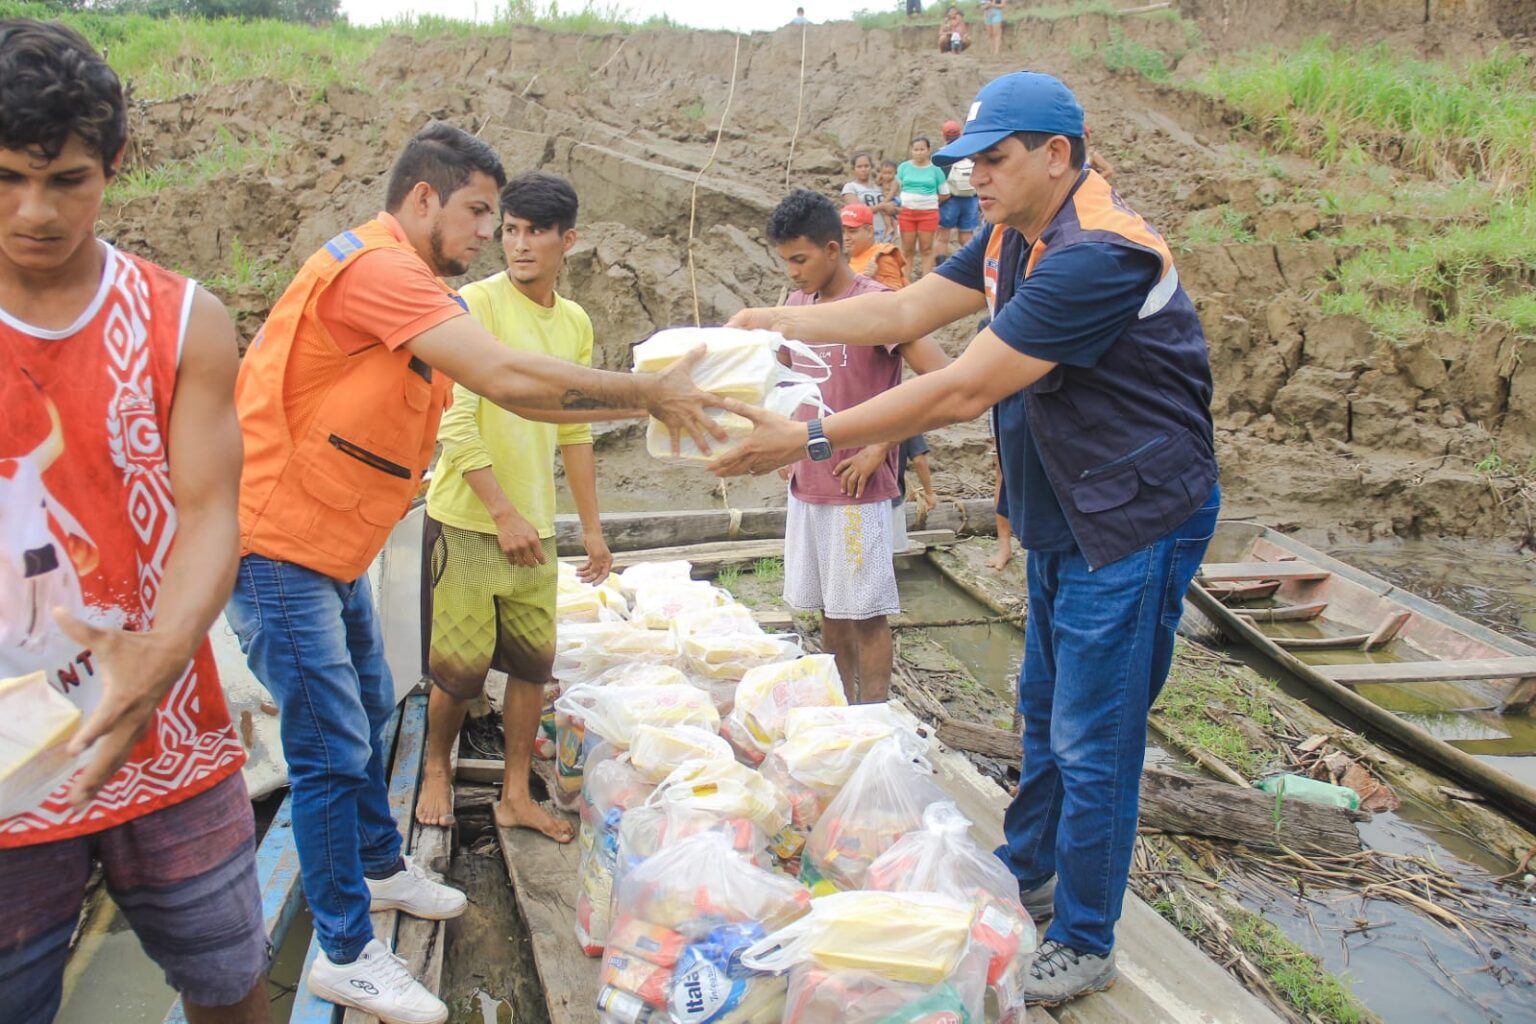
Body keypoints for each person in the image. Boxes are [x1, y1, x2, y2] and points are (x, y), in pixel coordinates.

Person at [712, 71, 1220, 1007]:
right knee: (1043, 705)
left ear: (1057, 155)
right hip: (1068, 508)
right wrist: (775, 317)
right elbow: (902, 314)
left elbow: (961, 388)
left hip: (1135, 516)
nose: (971, 178)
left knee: (1094, 732)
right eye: (966, 163)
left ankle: (1086, 933)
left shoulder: (1095, 255)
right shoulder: (1010, 235)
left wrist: (814, 435)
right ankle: (1026, 866)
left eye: (993, 159)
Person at [227, 122, 723, 1024]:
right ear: (423, 198)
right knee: (330, 747)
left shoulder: (408, 279)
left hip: (330, 545)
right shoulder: (378, 272)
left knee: (373, 707)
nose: (491, 235)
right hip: (279, 547)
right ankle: (345, 950)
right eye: (478, 214)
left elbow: (524, 389)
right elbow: (503, 379)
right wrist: (642, 390)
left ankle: (379, 866)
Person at [0, 19, 268, 1024]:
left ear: (115, 162)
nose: (35, 211)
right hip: (7, 755)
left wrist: (152, 662)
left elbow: (209, 514)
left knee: (232, 986)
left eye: (67, 179)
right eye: (7, 178)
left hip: (167, 734)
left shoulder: (181, 320)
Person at [415, 171, 611, 845]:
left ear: (568, 241)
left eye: (535, 232)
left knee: (532, 665)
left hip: (535, 525)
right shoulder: (476, 303)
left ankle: (516, 793)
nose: (520, 245)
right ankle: (437, 770)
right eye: (510, 230)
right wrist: (501, 512)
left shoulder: (576, 322)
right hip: (471, 519)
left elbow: (575, 429)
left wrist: (590, 529)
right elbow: (455, 419)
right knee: (458, 670)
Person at [766, 190, 948, 705]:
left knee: (866, 613)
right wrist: (783, 441)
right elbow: (780, 378)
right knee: (829, 608)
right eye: (785, 262)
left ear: (832, 249)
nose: (794, 273)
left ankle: (873, 718)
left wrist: (881, 446)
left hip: (858, 487)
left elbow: (941, 380)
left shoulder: (879, 307)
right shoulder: (796, 307)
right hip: (809, 484)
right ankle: (837, 714)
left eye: (800, 260)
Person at [896, 137, 948, 280]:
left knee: (926, 249)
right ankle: (904, 280)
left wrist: (927, 202)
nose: (919, 153)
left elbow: (945, 193)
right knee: (907, 250)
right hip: (906, 213)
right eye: (915, 150)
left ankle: (925, 281)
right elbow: (895, 187)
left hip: (928, 214)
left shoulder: (936, 170)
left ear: (928, 150)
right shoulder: (903, 167)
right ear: (911, 151)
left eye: (922, 149)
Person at [936, 119, 979, 264]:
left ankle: (940, 266)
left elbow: (939, 179)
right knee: (967, 236)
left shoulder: (942, 154)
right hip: (970, 198)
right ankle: (972, 264)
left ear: (944, 135)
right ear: (960, 133)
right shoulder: (970, 152)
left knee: (943, 236)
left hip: (949, 199)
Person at [842, 204, 906, 291]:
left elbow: (896, 297)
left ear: (869, 231)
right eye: (843, 232)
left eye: (852, 231)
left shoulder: (882, 258)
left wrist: (875, 279)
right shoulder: (850, 258)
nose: (845, 237)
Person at [840, 151, 896, 242]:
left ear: (871, 167)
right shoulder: (850, 187)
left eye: (866, 166)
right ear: (853, 169)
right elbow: (858, 212)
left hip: (885, 232)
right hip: (865, 233)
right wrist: (882, 206)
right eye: (859, 167)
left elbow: (892, 207)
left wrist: (892, 209)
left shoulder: (879, 186)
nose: (863, 169)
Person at [876, 158, 902, 244]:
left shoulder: (895, 182)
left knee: (887, 211)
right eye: (884, 173)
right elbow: (876, 182)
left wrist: (884, 203)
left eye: (890, 173)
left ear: (895, 173)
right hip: (888, 200)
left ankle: (890, 227)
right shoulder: (883, 180)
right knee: (890, 215)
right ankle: (893, 231)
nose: (887, 175)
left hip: (895, 199)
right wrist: (880, 176)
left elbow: (892, 193)